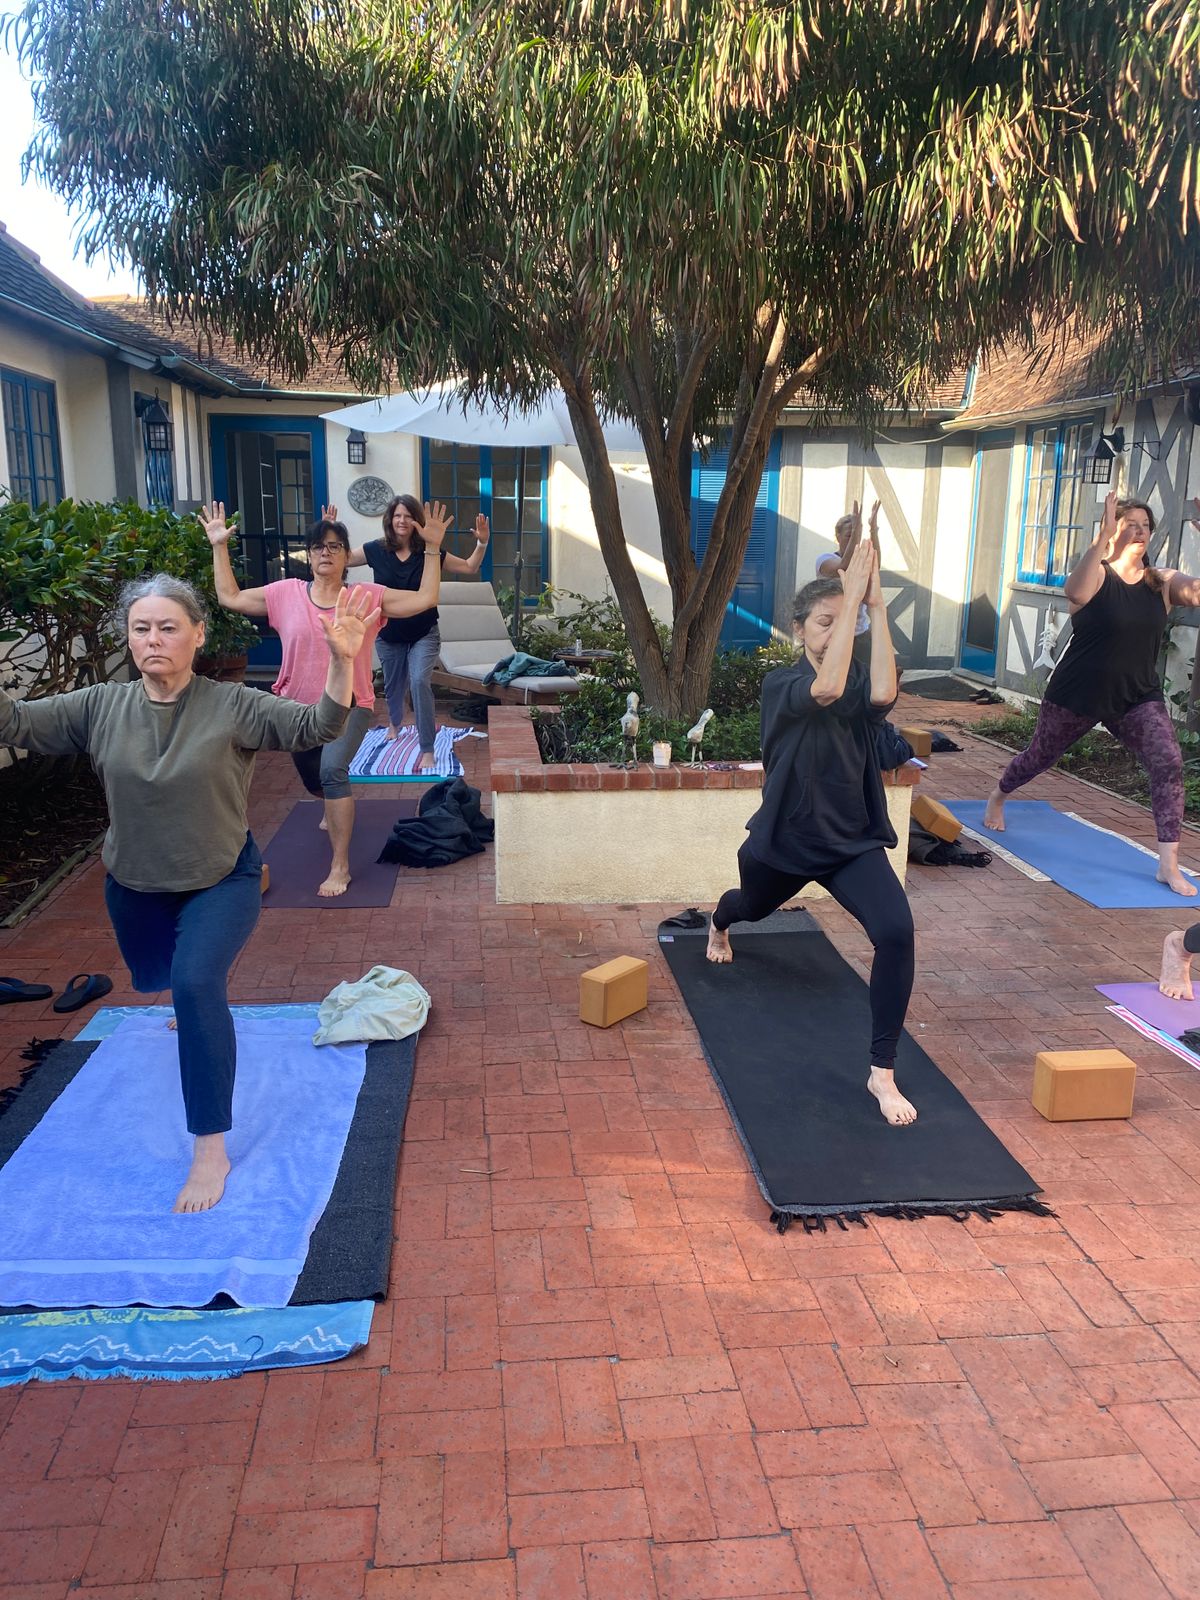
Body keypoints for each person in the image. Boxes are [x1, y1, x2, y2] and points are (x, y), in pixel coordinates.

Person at [0, 573, 376, 1212]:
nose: (154, 639)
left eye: (168, 627)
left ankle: (210, 1146)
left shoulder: (233, 705)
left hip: (221, 877)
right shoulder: (99, 706)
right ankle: (183, 989)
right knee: (160, 978)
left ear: (198, 636)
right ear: (128, 637)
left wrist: (342, 661)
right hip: (135, 886)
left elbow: (318, 725)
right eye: (141, 628)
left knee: (199, 984)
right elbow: (15, 721)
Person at [706, 539, 919, 1126]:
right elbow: (823, 687)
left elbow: (883, 693)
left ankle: (881, 1072)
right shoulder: (782, 685)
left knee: (896, 931)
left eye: (841, 623)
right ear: (798, 630)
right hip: (787, 842)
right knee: (749, 905)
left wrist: (873, 604)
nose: (835, 632)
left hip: (850, 842)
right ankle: (719, 925)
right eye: (824, 623)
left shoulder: (856, 689)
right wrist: (849, 595)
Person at [205, 501, 449, 895]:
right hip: (296, 710)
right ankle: (327, 804)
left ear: (345, 556)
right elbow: (230, 598)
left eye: (335, 546)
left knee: (334, 771)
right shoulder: (284, 593)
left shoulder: (367, 596)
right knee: (315, 781)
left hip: (352, 704)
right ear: (309, 554)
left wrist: (433, 548)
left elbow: (424, 599)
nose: (326, 552)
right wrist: (218, 545)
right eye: (319, 546)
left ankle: (340, 865)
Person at [983, 492, 1200, 897]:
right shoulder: (1097, 574)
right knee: (1038, 757)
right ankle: (999, 795)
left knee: (1168, 762)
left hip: (1136, 697)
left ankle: (1167, 865)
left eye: (1145, 525)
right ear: (1113, 530)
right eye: (1129, 523)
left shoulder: (1162, 582)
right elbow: (1076, 593)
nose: (1139, 531)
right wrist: (1099, 540)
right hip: (1077, 694)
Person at [339, 495, 490, 770]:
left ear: (416, 521)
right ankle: (396, 723)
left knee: (420, 681)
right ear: (389, 520)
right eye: (397, 515)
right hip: (388, 633)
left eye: (408, 515)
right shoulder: (375, 550)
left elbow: (470, 566)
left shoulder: (430, 551)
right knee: (394, 686)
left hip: (424, 631)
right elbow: (343, 560)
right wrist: (331, 534)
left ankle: (427, 748)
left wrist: (481, 542)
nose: (402, 520)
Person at [816, 499, 880, 658]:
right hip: (834, 634)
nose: (854, 540)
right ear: (837, 536)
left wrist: (873, 530)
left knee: (865, 681)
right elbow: (843, 566)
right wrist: (858, 530)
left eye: (856, 535)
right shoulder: (824, 559)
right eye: (849, 536)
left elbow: (875, 564)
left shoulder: (860, 560)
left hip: (860, 634)